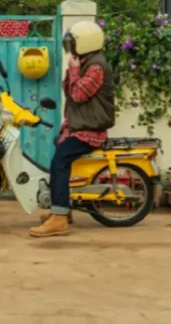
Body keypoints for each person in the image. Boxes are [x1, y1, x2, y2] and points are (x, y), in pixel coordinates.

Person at [29, 20, 114, 238]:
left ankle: (59, 219)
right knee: (58, 152)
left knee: (59, 163)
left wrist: (75, 70)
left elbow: (78, 95)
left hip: (90, 130)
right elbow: (69, 89)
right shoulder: (85, 62)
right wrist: (72, 70)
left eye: (72, 44)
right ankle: (63, 208)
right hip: (79, 126)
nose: (70, 49)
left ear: (85, 43)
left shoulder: (96, 67)